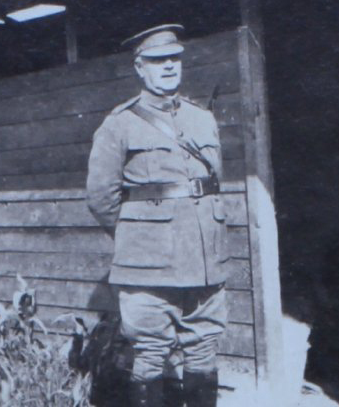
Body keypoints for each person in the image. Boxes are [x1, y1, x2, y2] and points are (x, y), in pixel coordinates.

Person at [86, 24, 231, 407]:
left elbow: (210, 184)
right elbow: (101, 198)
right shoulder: (119, 124)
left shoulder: (202, 119)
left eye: (174, 58)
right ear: (139, 68)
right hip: (148, 267)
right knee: (150, 355)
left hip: (204, 261)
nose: (168, 67)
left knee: (203, 351)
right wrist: (141, 236)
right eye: (157, 60)